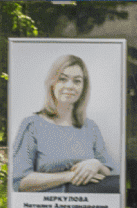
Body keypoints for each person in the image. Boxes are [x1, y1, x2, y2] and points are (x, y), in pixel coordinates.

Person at [11, 53, 118, 193]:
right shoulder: (32, 125)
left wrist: (96, 164)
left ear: (83, 87)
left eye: (77, 81)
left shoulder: (90, 127)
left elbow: (107, 172)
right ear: (52, 84)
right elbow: (20, 182)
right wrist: (69, 176)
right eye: (63, 79)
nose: (70, 86)